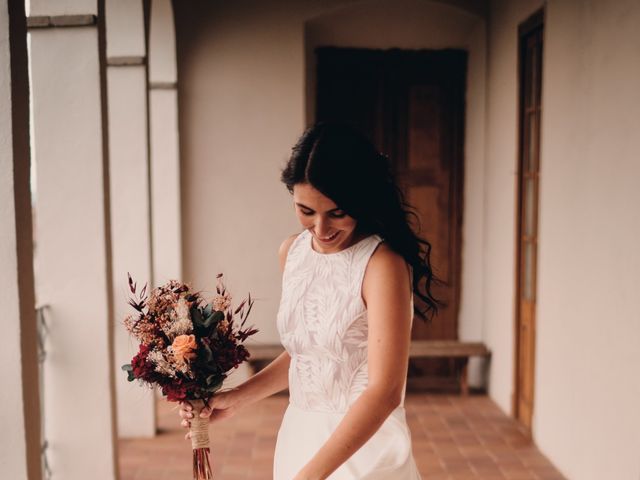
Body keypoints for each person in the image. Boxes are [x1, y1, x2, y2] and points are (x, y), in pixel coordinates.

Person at [178, 121, 439, 479]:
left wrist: (311, 475)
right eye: (306, 211)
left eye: (337, 213)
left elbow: (385, 391)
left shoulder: (382, 265)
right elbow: (309, 355)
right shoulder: (293, 253)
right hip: (300, 438)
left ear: (361, 201)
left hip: (363, 448)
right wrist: (235, 398)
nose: (320, 228)